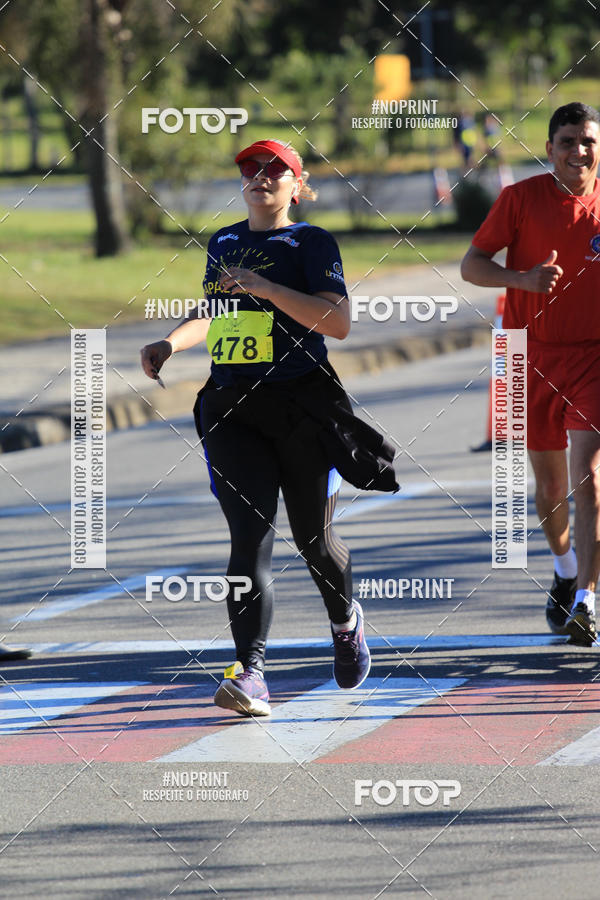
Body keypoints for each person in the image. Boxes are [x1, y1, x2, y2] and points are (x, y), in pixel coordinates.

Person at [141, 139, 397, 715]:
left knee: (312, 540)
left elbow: (338, 322)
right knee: (248, 536)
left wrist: (269, 290)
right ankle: (252, 672)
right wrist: (170, 342)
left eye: (274, 170)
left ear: (297, 185)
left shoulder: (310, 242)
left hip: (301, 407)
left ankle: (345, 620)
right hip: (233, 408)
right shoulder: (225, 242)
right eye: (250, 169)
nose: (260, 177)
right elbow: (214, 313)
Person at [461, 102, 600, 646]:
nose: (578, 150)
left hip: (593, 356)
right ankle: (566, 572)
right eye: (567, 141)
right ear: (550, 149)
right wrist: (521, 279)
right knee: (549, 489)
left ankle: (588, 599)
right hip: (527, 356)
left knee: (588, 475)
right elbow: (472, 264)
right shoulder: (520, 199)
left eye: (587, 140)